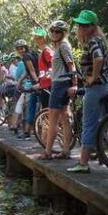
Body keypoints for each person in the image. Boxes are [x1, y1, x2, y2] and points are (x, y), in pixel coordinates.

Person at [66, 10, 108, 174]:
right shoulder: (101, 40)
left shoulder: (92, 42)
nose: (80, 27)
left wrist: (93, 77)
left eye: (84, 25)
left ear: (92, 27)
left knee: (89, 124)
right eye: (79, 24)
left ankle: (83, 162)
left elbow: (99, 58)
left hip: (97, 87)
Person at [40, 20, 77, 160]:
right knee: (63, 118)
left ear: (63, 33)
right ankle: (66, 151)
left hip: (61, 85)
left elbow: (71, 65)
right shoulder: (58, 47)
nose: (54, 33)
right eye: (53, 31)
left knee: (53, 119)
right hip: (60, 83)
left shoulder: (63, 46)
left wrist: (74, 84)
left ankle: (48, 152)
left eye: (58, 31)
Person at [14, 39, 39, 140]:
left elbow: (32, 70)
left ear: (26, 47)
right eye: (19, 49)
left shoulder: (26, 56)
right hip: (40, 81)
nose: (21, 50)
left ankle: (27, 132)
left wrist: (37, 82)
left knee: (31, 108)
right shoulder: (32, 54)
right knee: (34, 107)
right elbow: (28, 71)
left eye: (22, 48)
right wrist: (20, 81)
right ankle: (28, 131)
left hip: (35, 84)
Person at [31, 26, 53, 122]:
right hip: (44, 86)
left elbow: (53, 67)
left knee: (48, 114)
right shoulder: (42, 52)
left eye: (39, 37)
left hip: (49, 86)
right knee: (45, 113)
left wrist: (44, 80)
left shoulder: (47, 51)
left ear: (44, 38)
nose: (37, 40)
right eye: (35, 37)